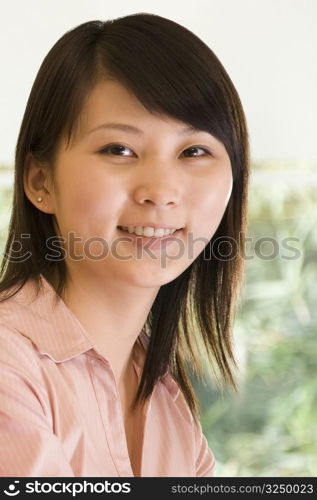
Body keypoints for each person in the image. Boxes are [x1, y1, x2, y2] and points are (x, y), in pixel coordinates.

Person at [0, 12, 250, 477]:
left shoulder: (167, 402)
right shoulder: (8, 364)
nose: (160, 190)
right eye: (119, 150)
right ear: (41, 180)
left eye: (194, 151)